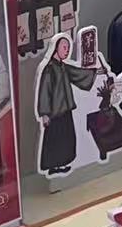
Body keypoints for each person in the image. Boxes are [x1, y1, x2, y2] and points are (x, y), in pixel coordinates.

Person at [36, 35, 102, 174]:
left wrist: (95, 72)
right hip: (54, 112)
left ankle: (61, 164)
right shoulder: (49, 69)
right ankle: (53, 167)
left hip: (65, 110)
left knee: (66, 139)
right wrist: (45, 114)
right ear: (56, 48)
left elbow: (77, 73)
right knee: (55, 140)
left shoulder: (63, 67)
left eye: (68, 48)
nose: (67, 51)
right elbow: (44, 92)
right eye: (64, 47)